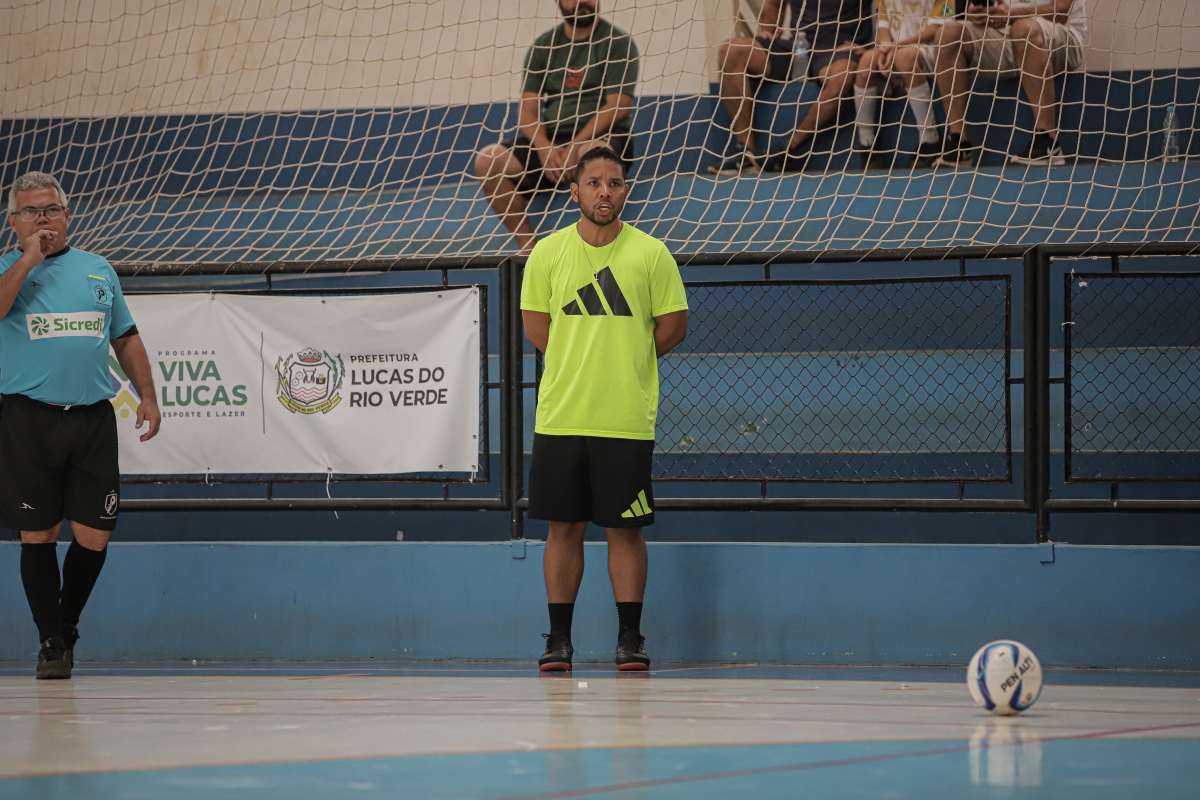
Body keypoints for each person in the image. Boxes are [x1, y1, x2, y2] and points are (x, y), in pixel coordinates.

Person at [520, 147, 688, 672]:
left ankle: (630, 639)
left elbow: (673, 327)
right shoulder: (547, 253)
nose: (604, 192)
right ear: (575, 191)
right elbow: (537, 328)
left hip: (624, 420)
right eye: (593, 182)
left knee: (625, 530)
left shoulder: (652, 254)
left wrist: (625, 360)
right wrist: (581, 363)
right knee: (563, 529)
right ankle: (559, 642)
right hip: (562, 418)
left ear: (625, 191)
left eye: (614, 183)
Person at [2, 171, 161, 679]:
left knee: (95, 534)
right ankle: (52, 642)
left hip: (92, 419)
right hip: (29, 419)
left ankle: (64, 626)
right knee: (39, 533)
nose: (42, 218)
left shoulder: (98, 269)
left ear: (68, 215)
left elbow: (125, 338)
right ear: (13, 221)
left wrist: (148, 396)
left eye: (50, 209)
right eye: (30, 211)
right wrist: (29, 259)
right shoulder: (6, 267)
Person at [475, 0, 639, 253]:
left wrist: (576, 145)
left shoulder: (618, 43)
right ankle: (528, 248)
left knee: (595, 157)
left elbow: (617, 107)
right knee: (488, 160)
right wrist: (544, 147)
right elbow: (528, 111)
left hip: (602, 137)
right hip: (552, 140)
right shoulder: (544, 46)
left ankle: (599, 246)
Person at [712, 0, 873, 175]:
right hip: (798, 48)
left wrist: (873, 48)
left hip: (840, 51)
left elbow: (887, 7)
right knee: (732, 51)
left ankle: (784, 151)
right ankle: (745, 152)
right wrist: (769, 31)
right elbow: (774, 4)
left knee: (843, 74)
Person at [931, 0, 1087, 167]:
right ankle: (959, 144)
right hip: (1004, 35)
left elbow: (1061, 12)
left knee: (1023, 28)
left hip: (1061, 33)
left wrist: (1013, 15)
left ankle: (1048, 141)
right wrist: (977, 14)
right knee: (947, 34)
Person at [852, 0, 958, 169]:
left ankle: (930, 140)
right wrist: (885, 47)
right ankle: (867, 144)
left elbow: (936, 30)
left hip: (932, 49)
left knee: (904, 57)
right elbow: (882, 28)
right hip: (895, 49)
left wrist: (898, 46)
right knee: (866, 61)